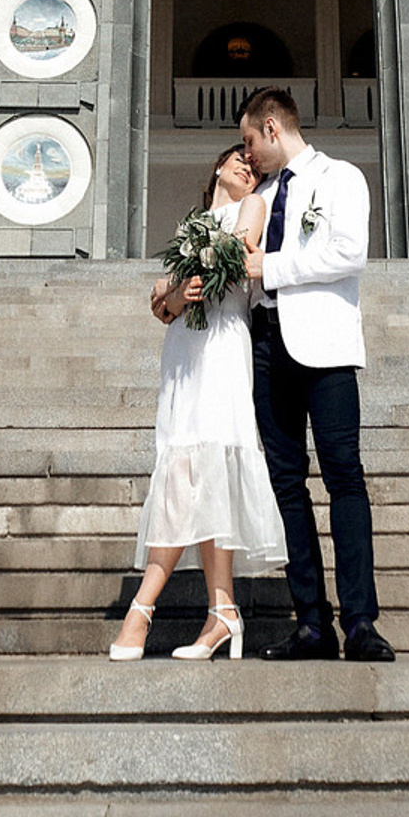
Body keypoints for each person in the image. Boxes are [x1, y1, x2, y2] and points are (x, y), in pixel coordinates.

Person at [108, 143, 284, 660]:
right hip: (184, 346)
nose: (245, 167)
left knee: (206, 468)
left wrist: (179, 282)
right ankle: (222, 610)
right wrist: (172, 293)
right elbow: (160, 306)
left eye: (252, 165)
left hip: (223, 342)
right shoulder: (195, 222)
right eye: (237, 160)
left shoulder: (252, 206)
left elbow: (234, 264)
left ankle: (141, 609)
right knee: (187, 469)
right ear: (216, 167)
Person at [239, 85, 394, 661]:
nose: (247, 152)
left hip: (325, 348)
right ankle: (311, 622)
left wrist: (269, 266)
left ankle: (360, 622)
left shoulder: (339, 178)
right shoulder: (257, 194)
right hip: (265, 343)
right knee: (286, 485)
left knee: (344, 477)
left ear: (274, 128)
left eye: (250, 139)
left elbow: (349, 252)